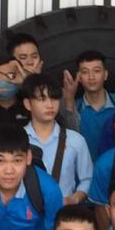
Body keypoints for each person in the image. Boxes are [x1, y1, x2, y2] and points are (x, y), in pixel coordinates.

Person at [22, 74, 93, 204]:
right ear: (27, 104)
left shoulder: (75, 140)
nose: (50, 105)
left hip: (64, 211)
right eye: (42, 99)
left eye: (54, 98)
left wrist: (74, 198)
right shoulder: (17, 140)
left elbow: (88, 178)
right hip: (25, 212)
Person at [71, 49, 115, 159]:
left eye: (96, 71)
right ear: (79, 77)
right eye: (85, 72)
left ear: (105, 75)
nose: (91, 77)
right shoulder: (73, 109)